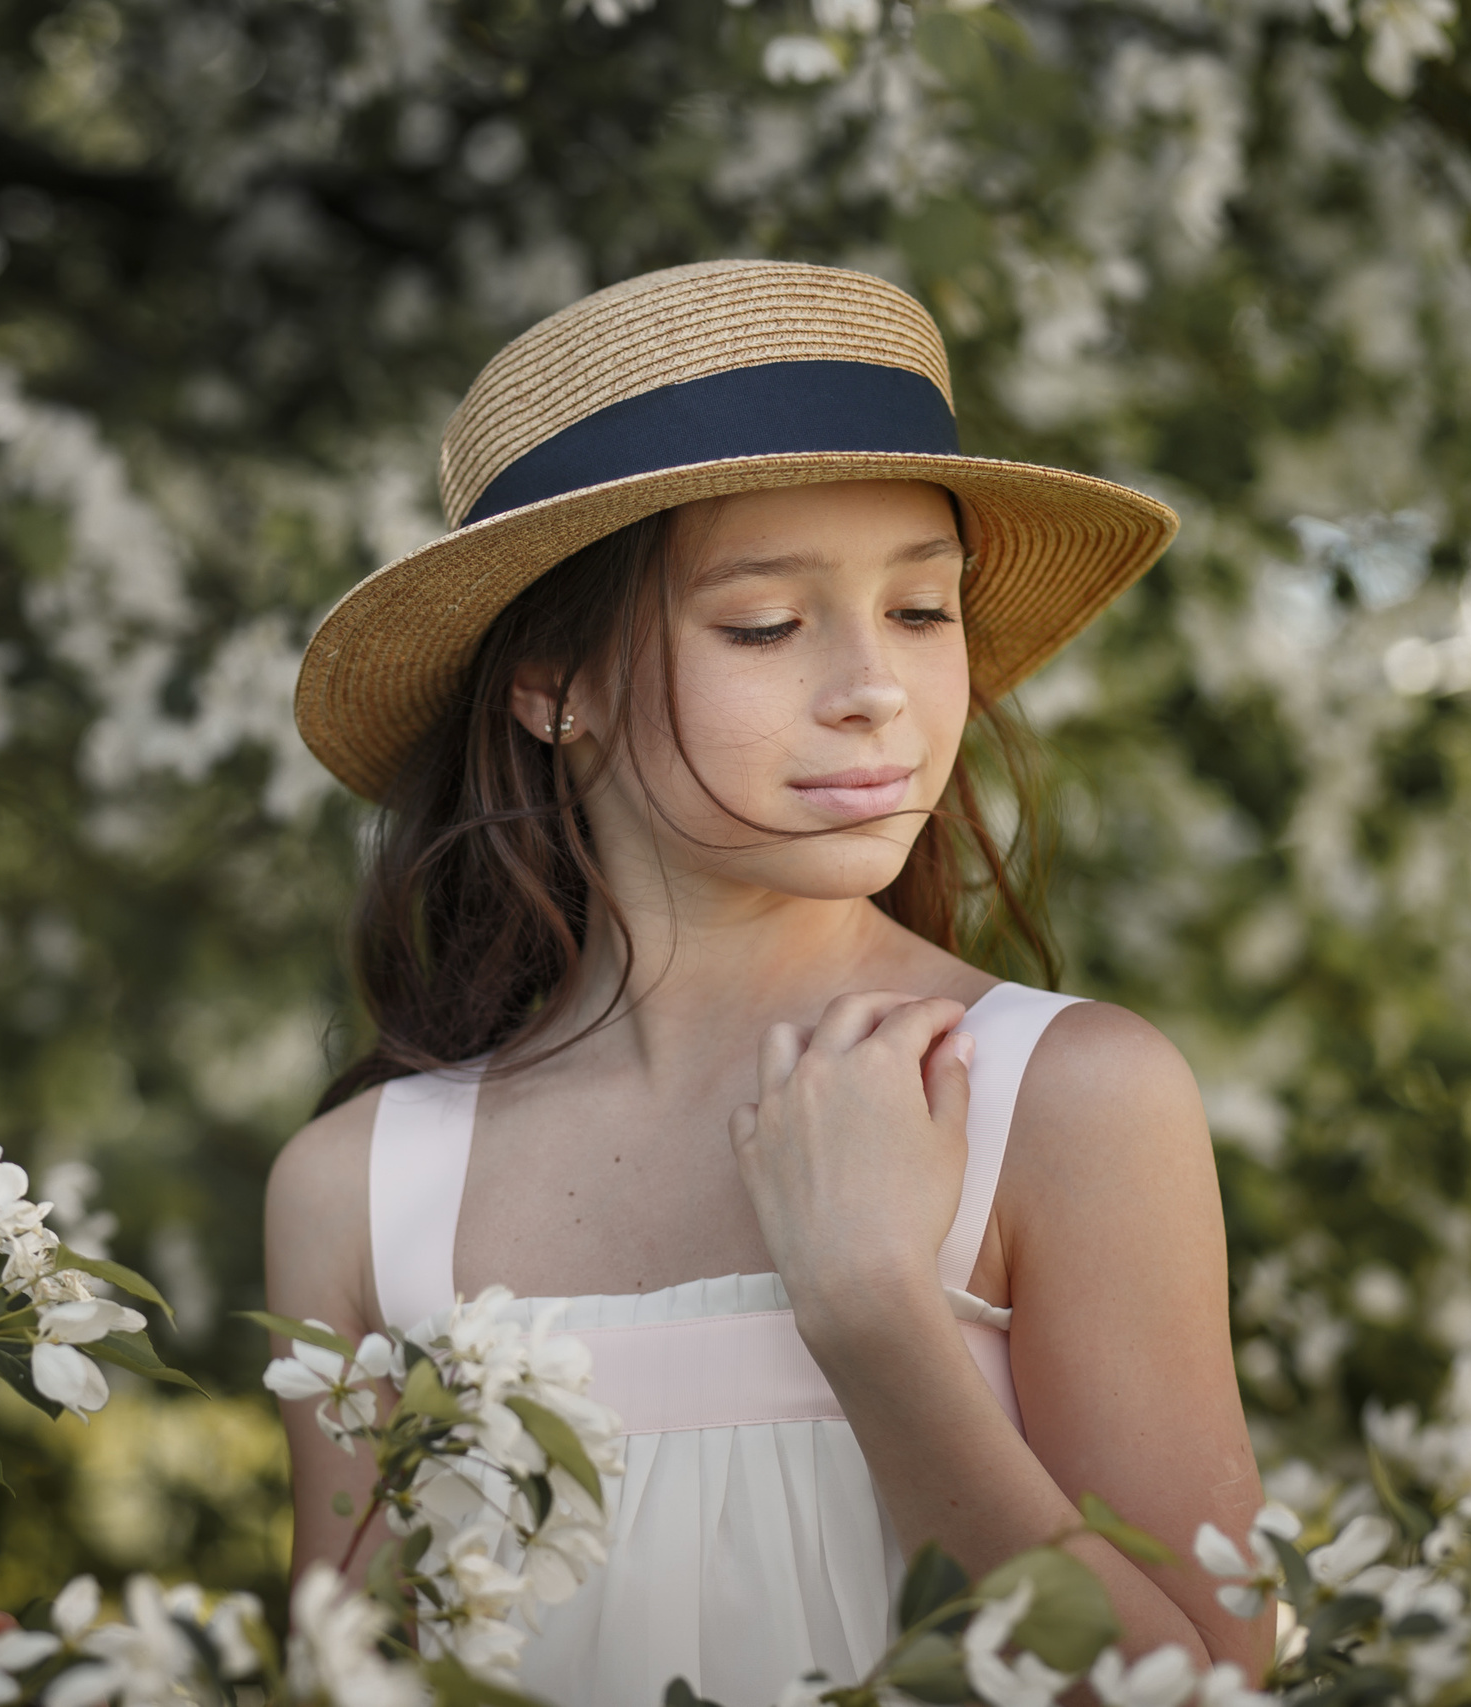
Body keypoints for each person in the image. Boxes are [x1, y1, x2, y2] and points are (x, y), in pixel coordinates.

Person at [266, 260, 1268, 1704]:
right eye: (765, 625)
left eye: (923, 612)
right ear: (555, 685)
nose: (875, 687)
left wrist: (875, 1312)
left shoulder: (1066, 1102)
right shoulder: (359, 1194)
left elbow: (1207, 1686)